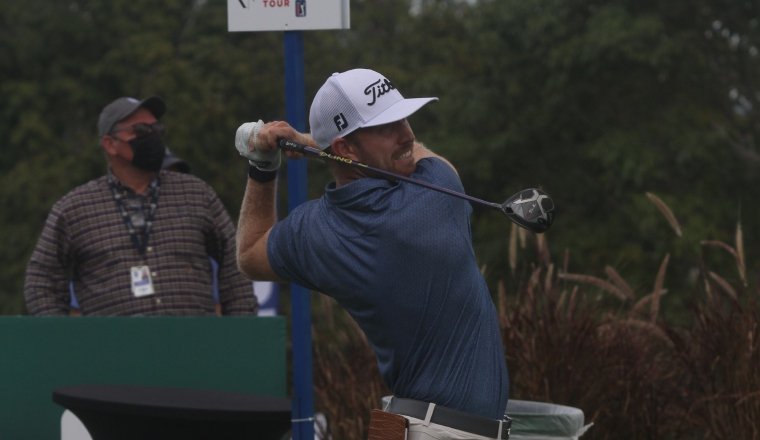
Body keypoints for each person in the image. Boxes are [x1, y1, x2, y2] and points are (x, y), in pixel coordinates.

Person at [235, 68, 510, 439]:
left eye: (403, 118)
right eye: (387, 126)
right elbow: (426, 158)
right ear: (346, 149)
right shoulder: (435, 197)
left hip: (409, 426)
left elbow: (250, 253)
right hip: (443, 431)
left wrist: (263, 165)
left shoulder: (316, 230)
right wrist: (311, 140)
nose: (407, 134)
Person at [24, 96, 257, 316]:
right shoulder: (74, 208)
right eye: (142, 131)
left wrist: (239, 333)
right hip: (110, 353)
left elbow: (236, 265)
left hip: (194, 350)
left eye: (157, 130)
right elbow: (41, 280)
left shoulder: (197, 194)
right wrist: (65, 341)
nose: (153, 137)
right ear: (110, 144)